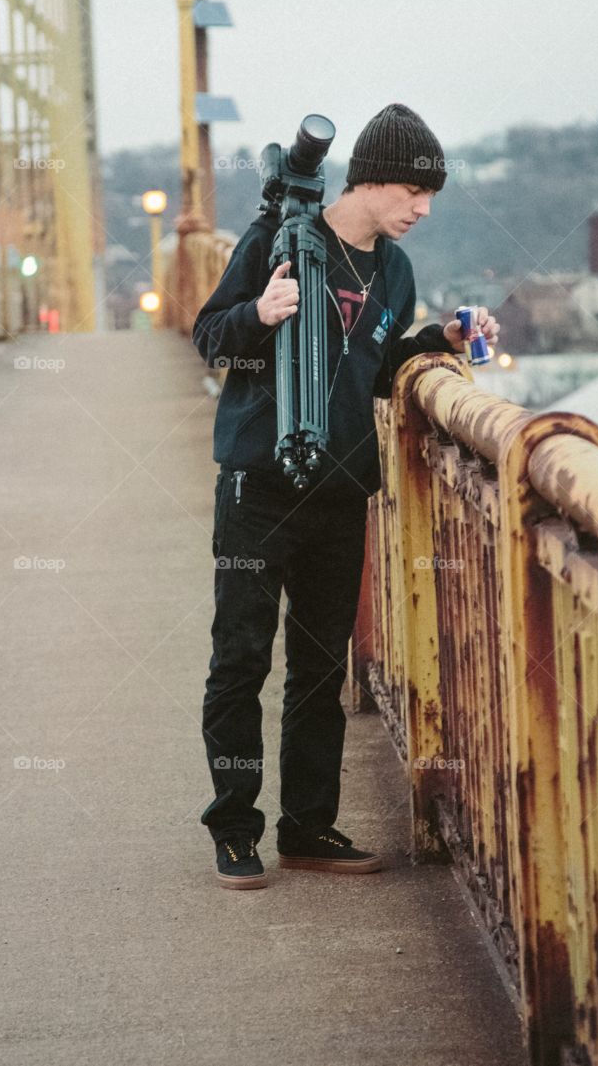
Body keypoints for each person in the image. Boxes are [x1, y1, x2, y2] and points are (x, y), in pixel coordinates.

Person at [191, 103, 500, 889]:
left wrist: (443, 341)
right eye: (415, 192)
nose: (423, 210)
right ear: (372, 178)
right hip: (257, 485)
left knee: (320, 668)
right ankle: (234, 827)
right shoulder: (277, 241)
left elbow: (376, 360)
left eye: (430, 197)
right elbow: (209, 332)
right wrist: (259, 315)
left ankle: (307, 827)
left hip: (339, 488)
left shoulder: (394, 269)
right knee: (240, 659)